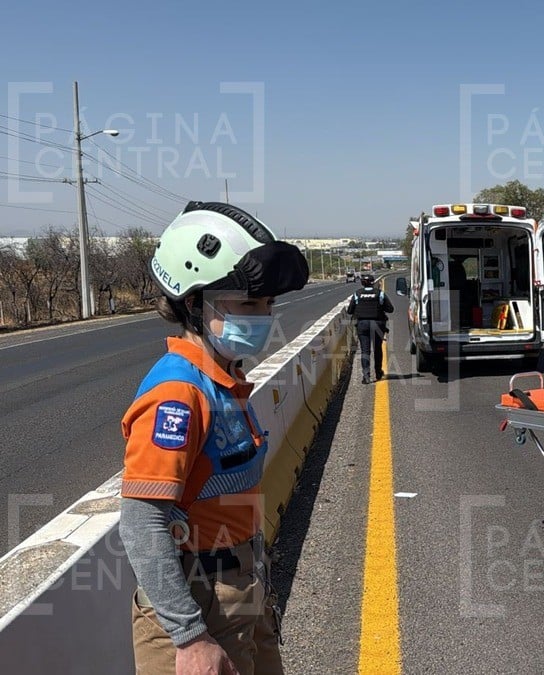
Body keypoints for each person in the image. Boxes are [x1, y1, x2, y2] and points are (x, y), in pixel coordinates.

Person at [119, 201, 309, 674]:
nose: (263, 317)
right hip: (199, 607)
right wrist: (189, 637)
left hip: (241, 590)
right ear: (193, 303)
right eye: (247, 305)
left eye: (268, 304)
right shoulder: (178, 395)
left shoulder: (223, 381)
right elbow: (142, 524)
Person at [346, 272, 393, 383]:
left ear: (362, 283)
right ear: (372, 283)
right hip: (378, 324)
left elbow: (350, 311)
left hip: (362, 325)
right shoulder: (379, 294)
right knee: (378, 349)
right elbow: (390, 309)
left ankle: (366, 376)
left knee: (365, 351)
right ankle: (378, 373)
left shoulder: (357, 294)